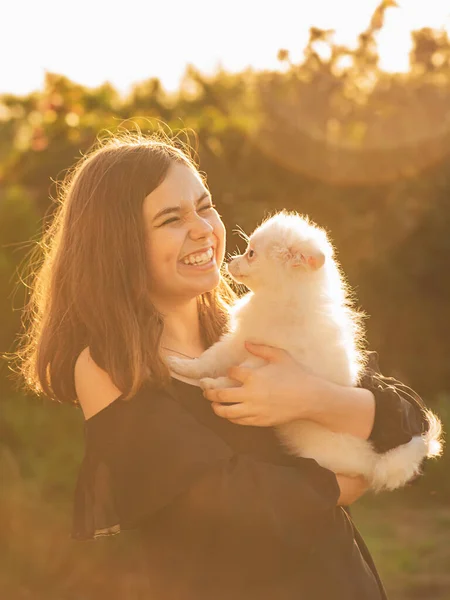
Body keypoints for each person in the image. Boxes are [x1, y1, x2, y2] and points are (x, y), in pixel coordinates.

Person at [17, 133, 437, 600]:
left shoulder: (255, 325)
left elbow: (410, 426)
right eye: (171, 219)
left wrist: (309, 397)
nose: (203, 229)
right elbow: (229, 502)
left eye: (204, 206)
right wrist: (348, 482)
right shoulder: (110, 365)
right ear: (120, 244)